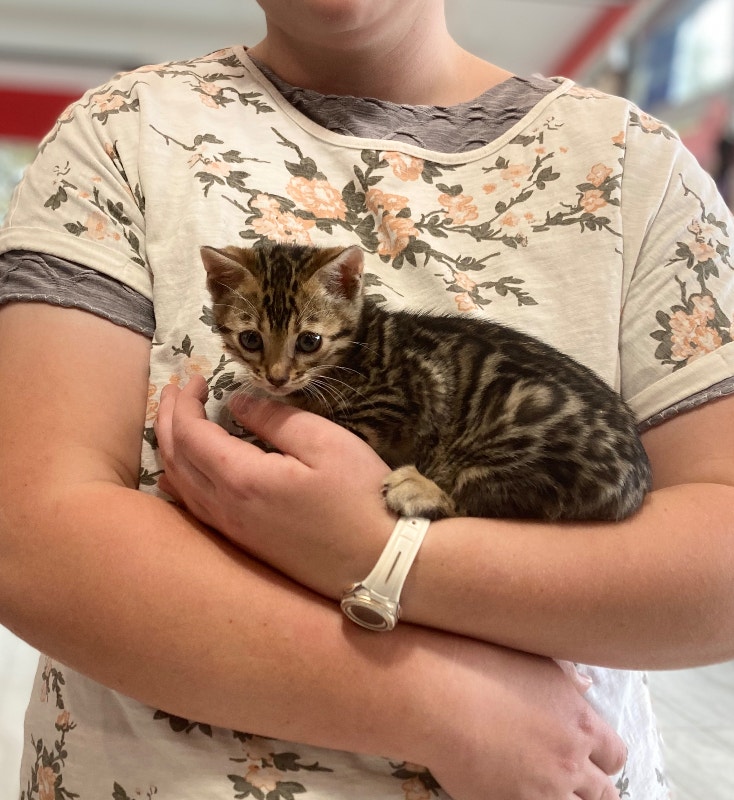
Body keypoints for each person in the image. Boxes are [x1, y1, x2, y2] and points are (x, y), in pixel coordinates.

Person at [1, 1, 733, 797]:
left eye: (302, 348)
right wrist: (435, 702)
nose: (278, 372)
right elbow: (27, 537)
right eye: (253, 346)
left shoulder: (638, 166)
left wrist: (373, 550)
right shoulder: (119, 135)